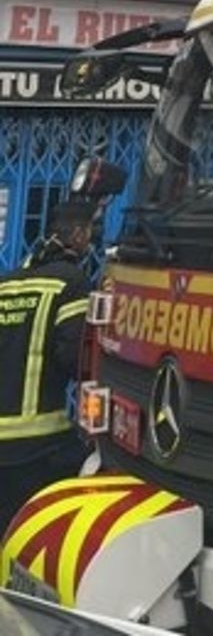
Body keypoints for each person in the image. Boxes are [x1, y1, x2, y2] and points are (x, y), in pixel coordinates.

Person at [0, 200, 94, 535]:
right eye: (90, 234)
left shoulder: (7, 283)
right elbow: (75, 360)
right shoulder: (70, 284)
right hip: (37, 445)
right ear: (79, 236)